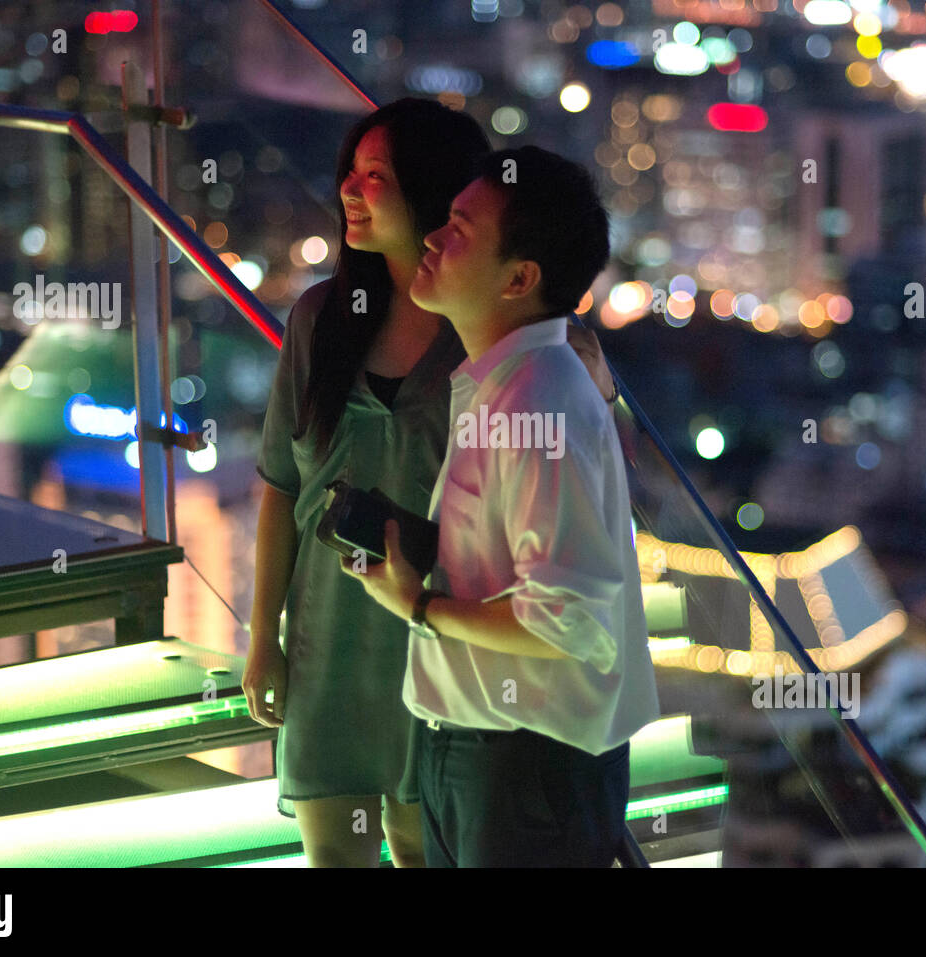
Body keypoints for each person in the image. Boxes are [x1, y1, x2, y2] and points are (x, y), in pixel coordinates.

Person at [244, 101, 616, 867]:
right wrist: (262, 638)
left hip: (441, 630)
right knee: (333, 853)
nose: (350, 188)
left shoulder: (484, 333)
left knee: (425, 850)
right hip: (330, 635)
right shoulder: (321, 320)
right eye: (350, 170)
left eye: (376, 175)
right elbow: (280, 487)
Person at [343, 146, 660, 867]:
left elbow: (567, 616)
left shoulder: (536, 399)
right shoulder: (511, 384)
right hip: (493, 752)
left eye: (459, 228)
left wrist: (418, 606)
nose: (432, 238)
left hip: (521, 765)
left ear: (519, 278)